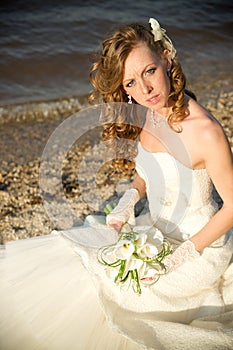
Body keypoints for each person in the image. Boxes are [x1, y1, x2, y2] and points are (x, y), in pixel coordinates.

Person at [0, 18, 233, 350]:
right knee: (77, 258)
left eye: (149, 71)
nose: (145, 90)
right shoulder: (147, 114)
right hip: (154, 230)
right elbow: (147, 171)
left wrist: (179, 257)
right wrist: (129, 197)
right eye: (131, 83)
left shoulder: (205, 132)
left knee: (116, 296)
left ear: (167, 58)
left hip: (199, 248)